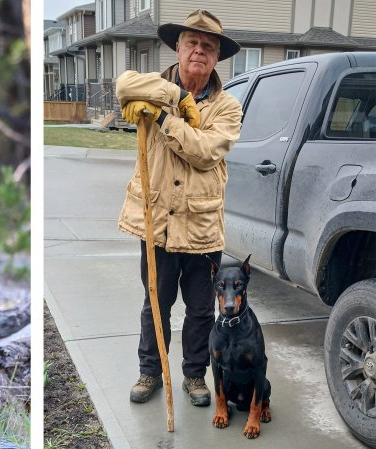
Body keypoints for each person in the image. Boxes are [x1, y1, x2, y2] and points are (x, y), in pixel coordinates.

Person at [115, 9, 242, 406]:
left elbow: (205, 152)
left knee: (201, 310)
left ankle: (194, 377)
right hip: (156, 222)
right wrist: (176, 97)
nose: (198, 52)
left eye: (208, 46)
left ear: (217, 56)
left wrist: (165, 120)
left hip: (201, 229)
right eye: (192, 44)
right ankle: (150, 372)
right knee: (155, 301)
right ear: (177, 47)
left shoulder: (228, 107)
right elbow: (123, 85)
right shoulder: (155, 85)